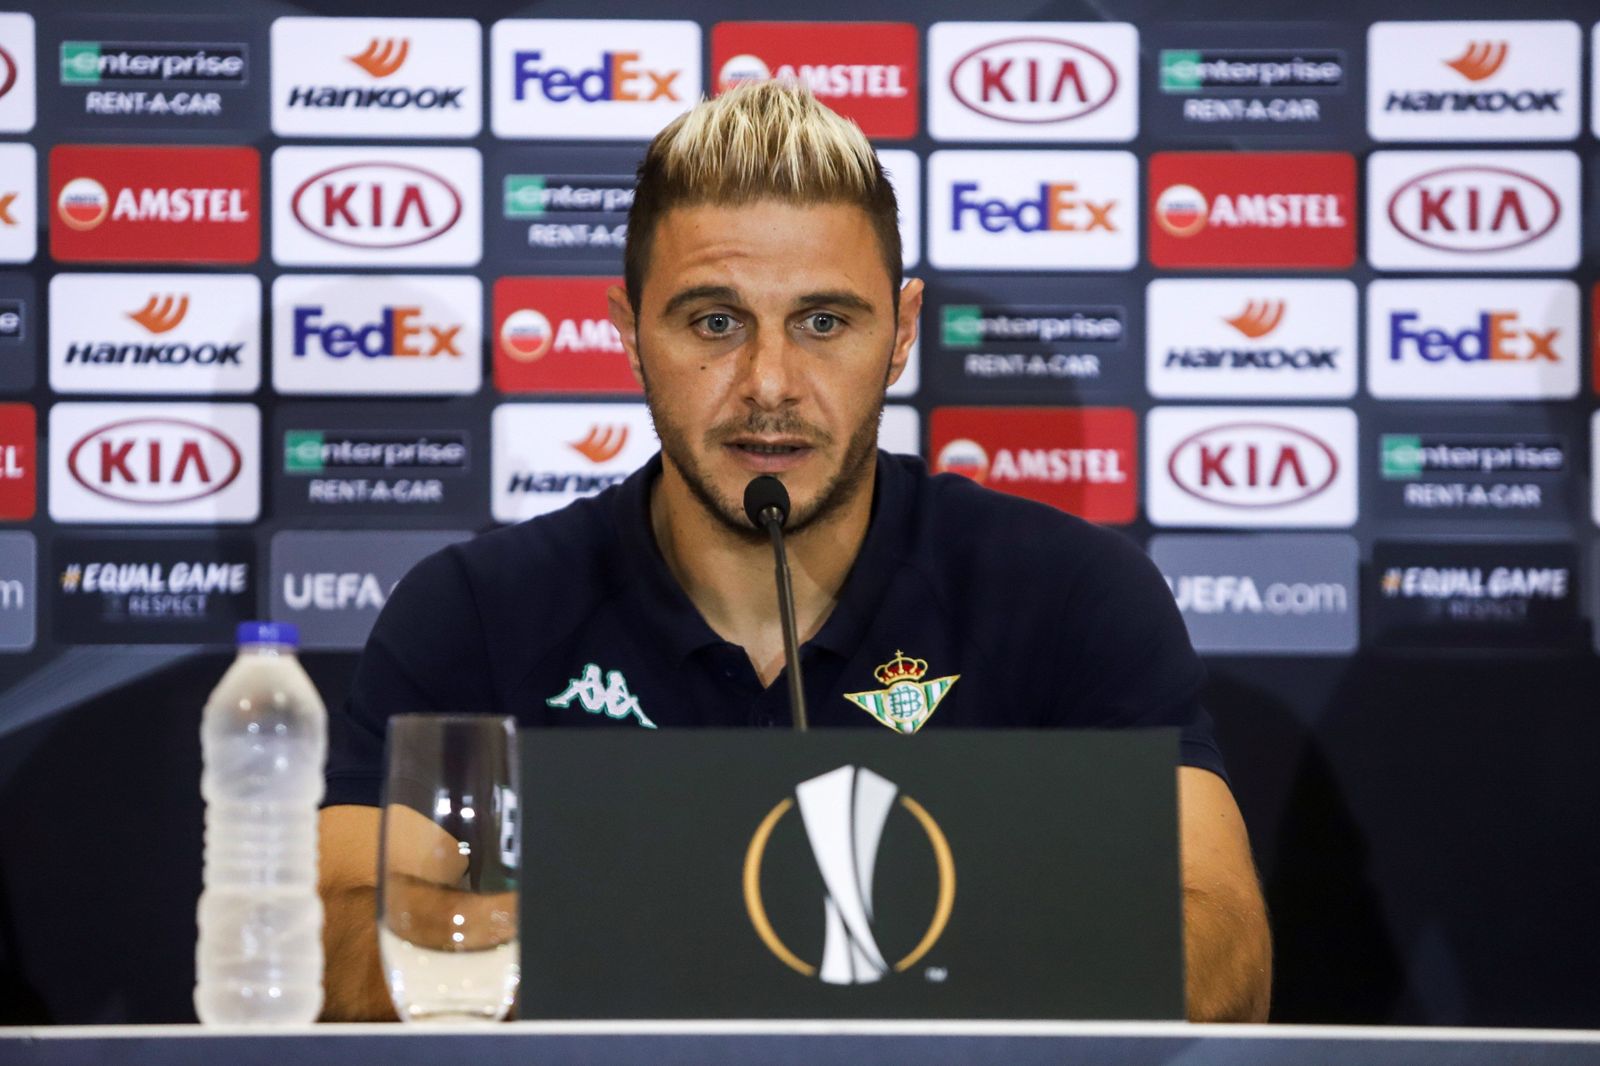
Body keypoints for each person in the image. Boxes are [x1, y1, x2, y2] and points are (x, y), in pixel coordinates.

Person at [319, 80, 1272, 1023]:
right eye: (714, 322)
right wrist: (751, 939)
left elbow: (1220, 953)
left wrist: (634, 944)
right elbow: (336, 943)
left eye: (824, 323)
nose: (769, 383)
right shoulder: (479, 610)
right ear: (628, 334)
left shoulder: (1069, 594)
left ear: (899, 335)